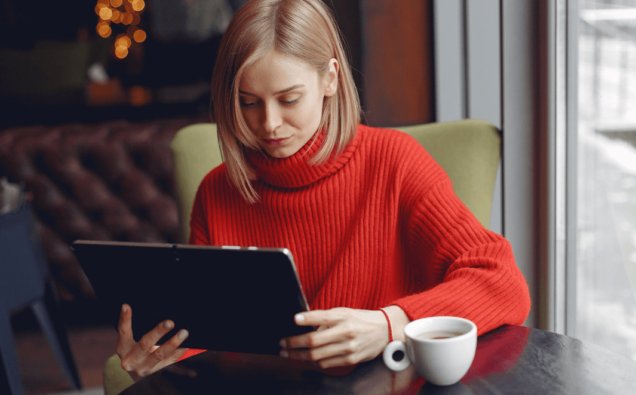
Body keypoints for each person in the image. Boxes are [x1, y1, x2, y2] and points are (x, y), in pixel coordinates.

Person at [115, 0, 531, 379]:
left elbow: (502, 282)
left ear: (329, 78)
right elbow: (209, 339)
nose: (269, 124)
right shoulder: (217, 191)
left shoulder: (395, 163)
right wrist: (160, 365)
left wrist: (391, 324)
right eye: (248, 102)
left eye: (289, 99)